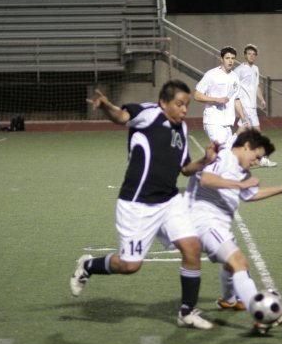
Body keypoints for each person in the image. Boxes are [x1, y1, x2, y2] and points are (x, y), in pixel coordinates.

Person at [70, 80, 219, 330]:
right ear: (164, 102)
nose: (184, 110)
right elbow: (121, 116)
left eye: (187, 105)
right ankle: (88, 265)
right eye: (179, 104)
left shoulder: (181, 129)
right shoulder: (149, 113)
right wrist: (106, 106)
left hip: (170, 201)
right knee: (130, 266)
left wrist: (205, 159)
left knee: (192, 248)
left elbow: (184, 169)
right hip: (137, 204)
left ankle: (186, 312)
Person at [185, 130, 282, 333]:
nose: (257, 162)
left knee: (231, 266)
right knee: (239, 262)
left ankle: (229, 300)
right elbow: (205, 179)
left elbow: (250, 194)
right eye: (256, 156)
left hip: (219, 224)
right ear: (246, 145)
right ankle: (261, 317)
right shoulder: (223, 157)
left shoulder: (242, 171)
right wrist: (239, 184)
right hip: (203, 221)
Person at [194, 46, 249, 149]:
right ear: (221, 59)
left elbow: (236, 99)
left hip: (227, 121)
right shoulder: (212, 74)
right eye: (227, 58)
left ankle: (239, 133)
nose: (230, 61)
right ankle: (238, 133)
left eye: (232, 58)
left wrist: (243, 119)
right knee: (224, 151)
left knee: (229, 151)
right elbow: (197, 95)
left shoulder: (235, 77)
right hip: (213, 120)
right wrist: (216, 99)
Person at [234, 43, 277, 168]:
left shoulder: (256, 69)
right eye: (249, 54)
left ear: (256, 56)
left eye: (253, 54)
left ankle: (226, 151)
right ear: (245, 55)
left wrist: (261, 99)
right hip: (245, 106)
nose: (251, 56)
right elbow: (232, 84)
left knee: (243, 132)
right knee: (257, 133)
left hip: (252, 106)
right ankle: (262, 159)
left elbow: (256, 86)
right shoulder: (239, 70)